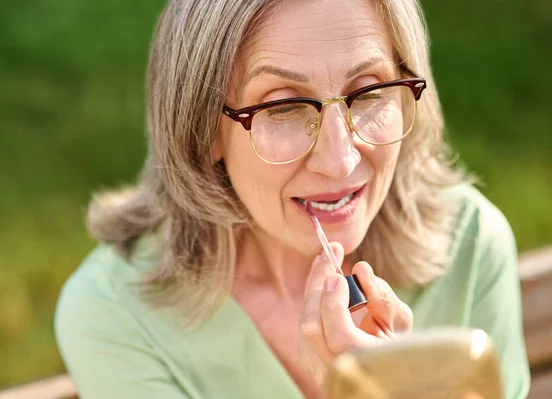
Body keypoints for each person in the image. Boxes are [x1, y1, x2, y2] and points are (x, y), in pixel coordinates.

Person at [54, 0, 530, 398]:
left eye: (368, 93)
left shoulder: (469, 244)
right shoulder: (115, 313)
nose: (340, 160)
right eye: (283, 106)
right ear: (203, 130)